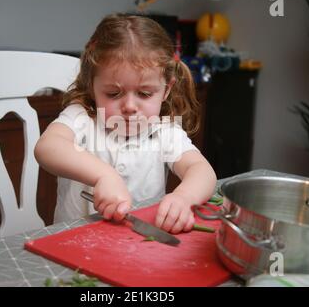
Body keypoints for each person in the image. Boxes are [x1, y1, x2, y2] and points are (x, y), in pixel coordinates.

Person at [34, 14, 216, 234]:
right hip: (71, 241)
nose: (130, 106)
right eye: (113, 93)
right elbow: (47, 148)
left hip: (136, 244)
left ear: (166, 89)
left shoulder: (164, 131)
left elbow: (202, 171)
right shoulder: (82, 117)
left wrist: (184, 198)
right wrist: (104, 175)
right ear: (92, 86)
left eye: (145, 93)